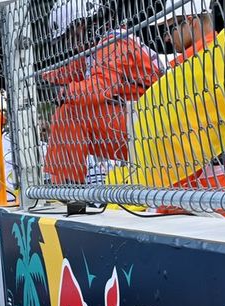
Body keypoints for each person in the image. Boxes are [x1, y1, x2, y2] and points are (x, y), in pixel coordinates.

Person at [153, 0, 225, 221]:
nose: (166, 38)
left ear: (191, 21)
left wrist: (165, 203)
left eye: (170, 28)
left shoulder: (187, 74)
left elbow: (180, 152)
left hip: (208, 204)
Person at [43, 0, 163, 185]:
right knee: (69, 112)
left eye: (72, 36)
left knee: (71, 113)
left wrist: (66, 92)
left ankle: (67, 185)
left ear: (86, 23)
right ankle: (63, 183)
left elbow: (101, 87)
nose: (72, 44)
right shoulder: (97, 48)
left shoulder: (114, 42)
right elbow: (68, 73)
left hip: (155, 124)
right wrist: (37, 79)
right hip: (141, 121)